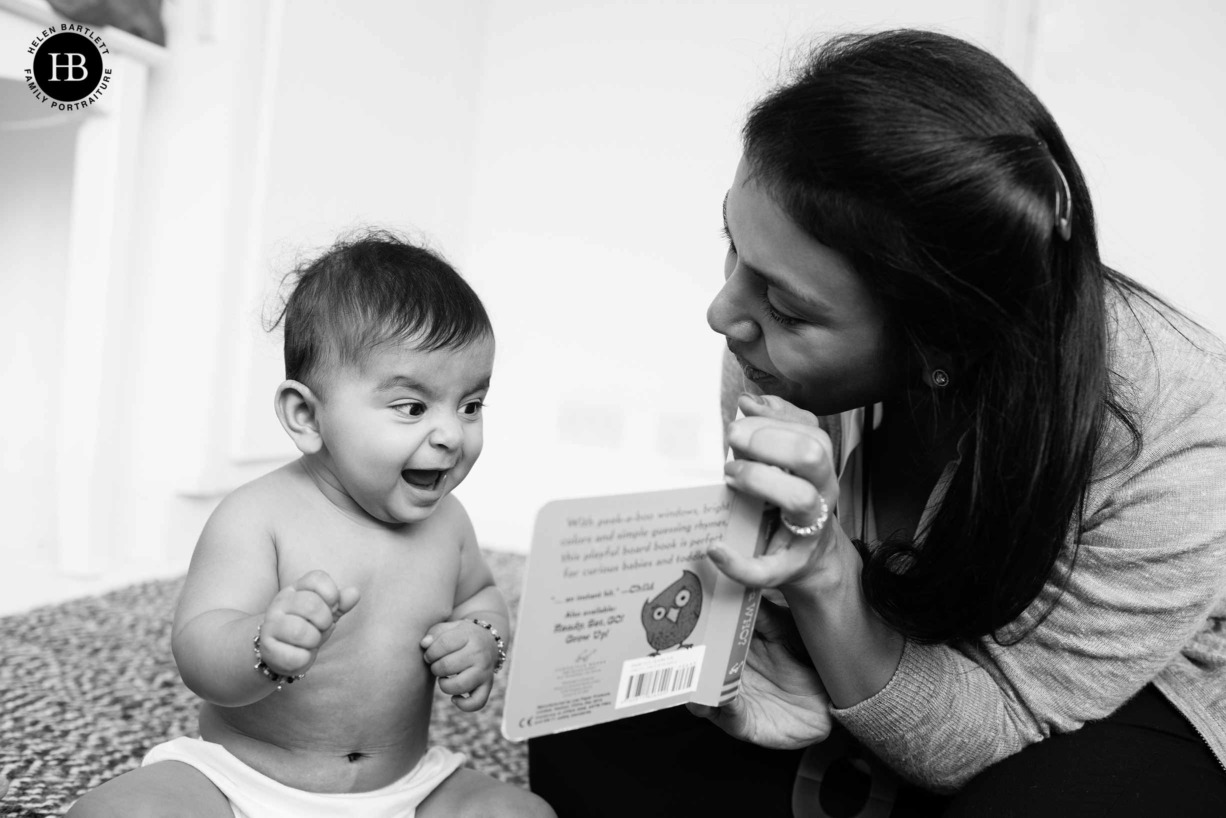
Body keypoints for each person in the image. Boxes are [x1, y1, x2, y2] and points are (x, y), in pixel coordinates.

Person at [532, 29, 1226, 818]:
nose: (723, 313)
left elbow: (991, 728)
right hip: (876, 643)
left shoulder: (1180, 436)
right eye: (733, 246)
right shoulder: (769, 352)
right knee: (589, 706)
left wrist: (826, 571)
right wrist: (786, 650)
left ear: (942, 342)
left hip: (1109, 701)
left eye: (787, 307)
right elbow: (783, 586)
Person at [69, 232, 555, 818]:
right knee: (125, 813)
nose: (452, 434)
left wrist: (484, 639)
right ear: (306, 416)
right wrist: (261, 645)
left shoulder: (448, 523)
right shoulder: (258, 515)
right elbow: (198, 649)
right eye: (412, 407)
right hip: (244, 783)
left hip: (406, 789)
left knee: (522, 814)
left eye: (471, 405)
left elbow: (480, 593)